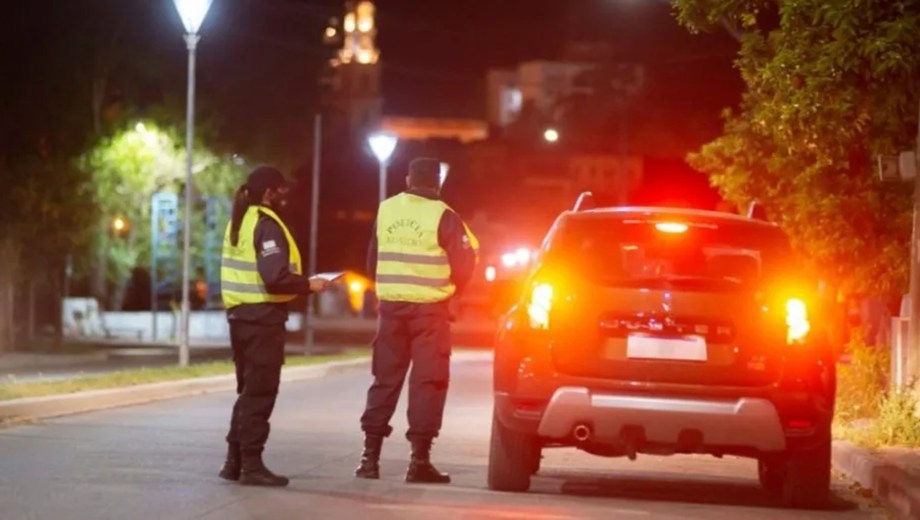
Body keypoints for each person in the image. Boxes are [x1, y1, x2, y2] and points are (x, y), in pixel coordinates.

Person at [355, 157, 478, 484]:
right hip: (430, 313)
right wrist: (452, 292)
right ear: (437, 182)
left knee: (384, 380)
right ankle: (419, 462)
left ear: (408, 180)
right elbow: (464, 265)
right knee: (428, 382)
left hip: (391, 310)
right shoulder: (444, 215)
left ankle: (369, 459)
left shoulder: (386, 209)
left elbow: (372, 261)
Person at [218, 166, 329, 487]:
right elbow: (275, 277)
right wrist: (309, 284)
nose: (285, 196)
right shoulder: (266, 225)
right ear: (269, 192)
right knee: (260, 392)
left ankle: (234, 462)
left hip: (240, 316)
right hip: (262, 319)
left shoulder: (240, 221)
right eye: (281, 190)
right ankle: (251, 466)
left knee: (248, 392)